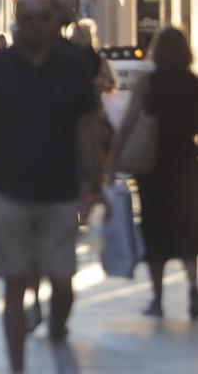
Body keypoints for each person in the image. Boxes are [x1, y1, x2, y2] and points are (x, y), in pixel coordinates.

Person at [0, 0, 103, 371]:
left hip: (61, 188)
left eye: (44, 17)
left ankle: (58, 325)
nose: (37, 24)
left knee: (62, 277)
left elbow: (86, 126)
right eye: (29, 18)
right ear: (17, 22)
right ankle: (17, 365)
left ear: (52, 21)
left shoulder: (72, 66)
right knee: (14, 281)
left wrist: (95, 181)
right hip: (8, 189)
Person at [109, 26, 197, 319]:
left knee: (156, 231)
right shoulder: (193, 83)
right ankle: (193, 286)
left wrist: (112, 161)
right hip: (185, 163)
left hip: (153, 166)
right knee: (187, 229)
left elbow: (129, 122)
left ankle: (158, 300)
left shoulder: (149, 83)